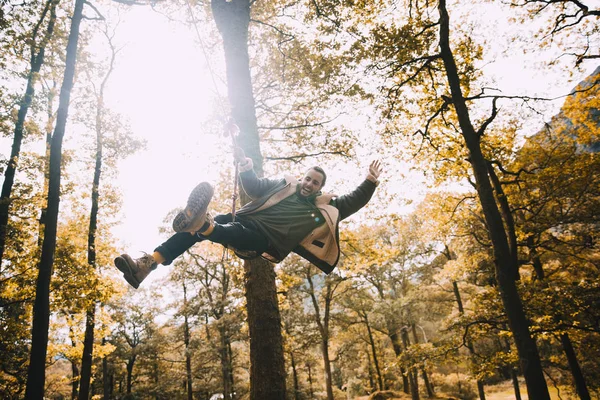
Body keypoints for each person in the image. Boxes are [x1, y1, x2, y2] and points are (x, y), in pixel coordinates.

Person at [114, 147, 383, 289]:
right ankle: (146, 265)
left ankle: (204, 225)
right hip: (240, 220)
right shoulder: (284, 185)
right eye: (308, 179)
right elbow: (253, 187)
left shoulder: (322, 210)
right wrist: (246, 168)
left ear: (320, 188)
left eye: (316, 183)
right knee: (203, 228)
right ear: (302, 178)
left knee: (230, 231)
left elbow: (354, 201)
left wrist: (369, 181)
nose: (310, 184)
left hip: (262, 242)